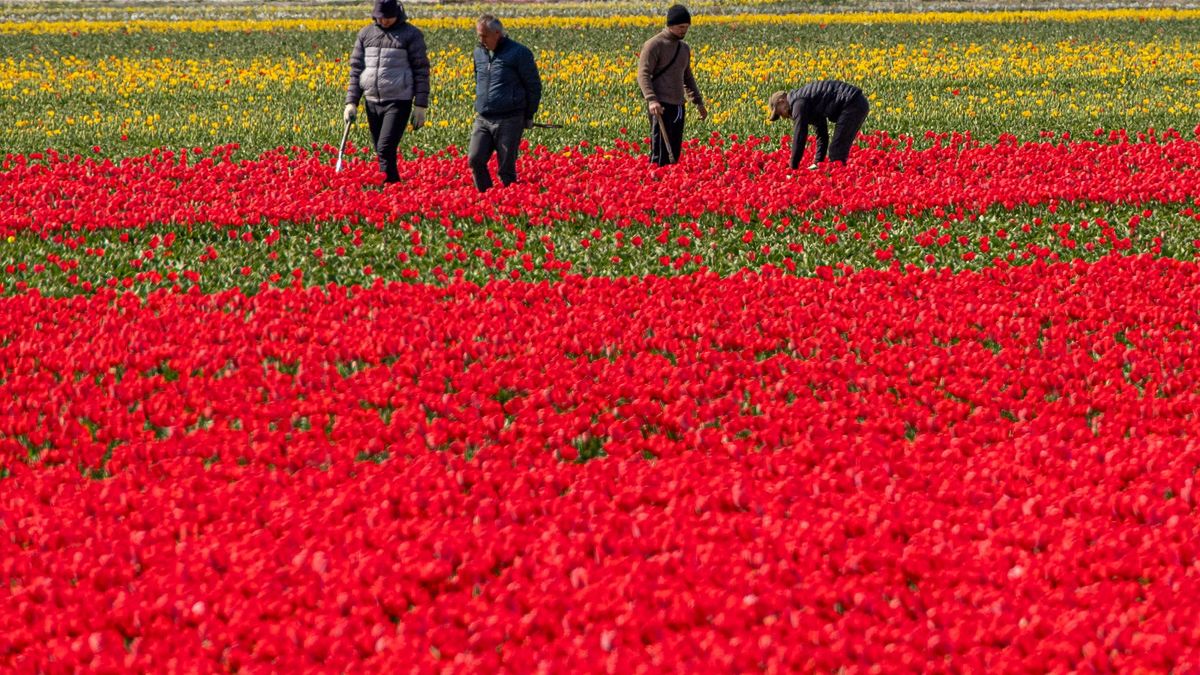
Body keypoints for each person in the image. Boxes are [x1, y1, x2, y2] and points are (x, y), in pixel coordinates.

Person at [344, 0, 430, 184]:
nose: (384, 22)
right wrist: (351, 102)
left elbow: (421, 71)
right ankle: (394, 193)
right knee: (383, 152)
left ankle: (390, 193)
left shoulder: (411, 35)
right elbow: (356, 69)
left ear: (397, 14)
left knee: (385, 149)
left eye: (388, 18)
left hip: (398, 101)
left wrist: (420, 105)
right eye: (380, 18)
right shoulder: (366, 34)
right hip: (372, 100)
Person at [469, 14, 542, 192]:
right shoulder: (479, 53)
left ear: (497, 33)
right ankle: (487, 198)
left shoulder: (519, 53)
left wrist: (529, 115)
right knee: (475, 159)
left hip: (510, 118)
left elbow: (533, 86)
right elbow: (478, 79)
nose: (481, 39)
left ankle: (511, 206)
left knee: (506, 170)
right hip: (484, 117)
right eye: (479, 35)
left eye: (484, 35)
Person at [636, 4, 707, 166]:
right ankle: (656, 186)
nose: (684, 31)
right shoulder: (654, 45)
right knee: (660, 152)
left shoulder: (684, 48)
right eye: (681, 27)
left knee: (674, 152)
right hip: (660, 106)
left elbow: (687, 77)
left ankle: (670, 184)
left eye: (687, 27)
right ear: (670, 25)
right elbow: (643, 74)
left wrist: (698, 102)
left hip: (679, 106)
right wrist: (651, 99)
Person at [768, 81, 869, 171]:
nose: (783, 117)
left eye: (779, 113)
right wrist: (818, 163)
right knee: (837, 151)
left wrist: (793, 168)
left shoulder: (798, 104)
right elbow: (822, 133)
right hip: (857, 102)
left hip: (852, 103)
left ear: (782, 101)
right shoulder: (807, 102)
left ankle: (843, 184)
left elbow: (799, 135)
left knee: (836, 152)